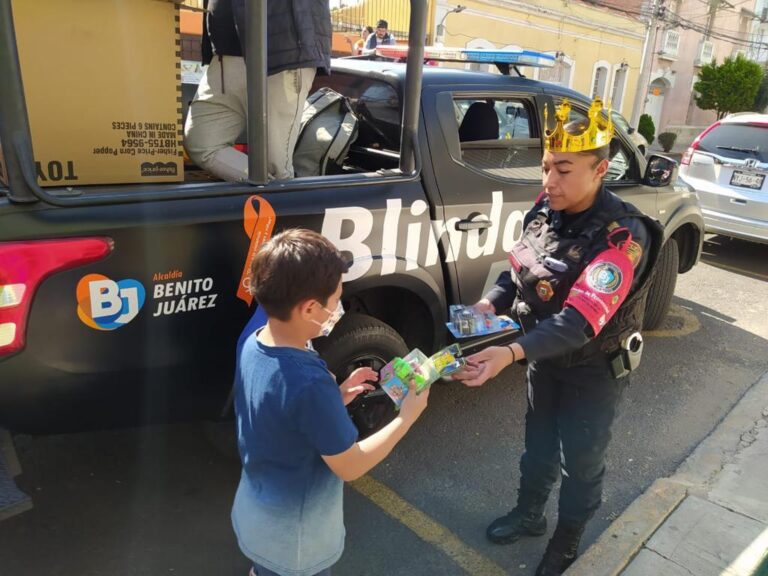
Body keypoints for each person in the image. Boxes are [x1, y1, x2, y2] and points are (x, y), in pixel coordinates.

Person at [453, 97, 663, 576]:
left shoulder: (623, 236)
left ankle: (566, 543)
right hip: (542, 359)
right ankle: (529, 515)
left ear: (601, 169)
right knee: (539, 444)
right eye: (546, 167)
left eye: (564, 170)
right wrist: (490, 304)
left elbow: (578, 322)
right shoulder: (544, 211)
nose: (549, 181)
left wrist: (508, 353)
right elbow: (520, 271)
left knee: (581, 463)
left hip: (593, 369)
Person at [232, 228, 430, 576]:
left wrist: (336, 397)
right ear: (309, 307)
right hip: (295, 542)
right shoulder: (310, 383)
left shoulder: (254, 339)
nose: (338, 308)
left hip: (256, 514)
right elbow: (350, 465)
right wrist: (407, 418)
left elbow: (280, 407)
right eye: (335, 299)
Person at [184, 0, 331, 182]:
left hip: (281, 55)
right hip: (224, 57)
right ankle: (268, 191)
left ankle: (275, 198)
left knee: (275, 167)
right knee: (203, 143)